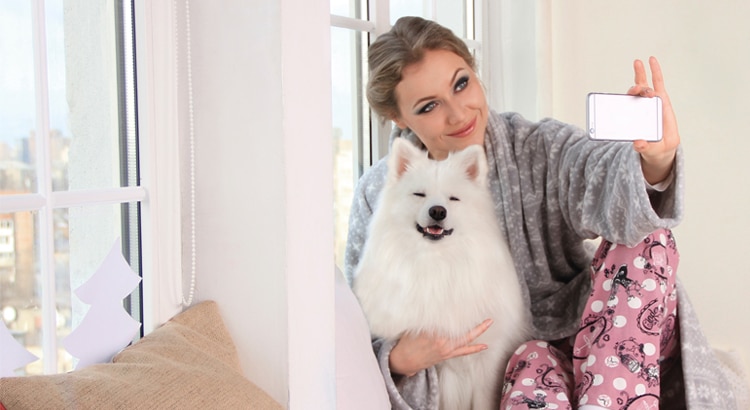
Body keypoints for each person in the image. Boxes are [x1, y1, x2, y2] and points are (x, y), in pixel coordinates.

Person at [344, 16, 736, 410]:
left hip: (605, 335)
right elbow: (362, 325)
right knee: (531, 369)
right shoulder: (379, 194)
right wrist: (398, 358)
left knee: (646, 240)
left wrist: (656, 159)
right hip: (519, 363)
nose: (458, 113)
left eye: (461, 84)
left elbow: (600, 174)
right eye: (429, 106)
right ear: (398, 117)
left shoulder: (537, 146)